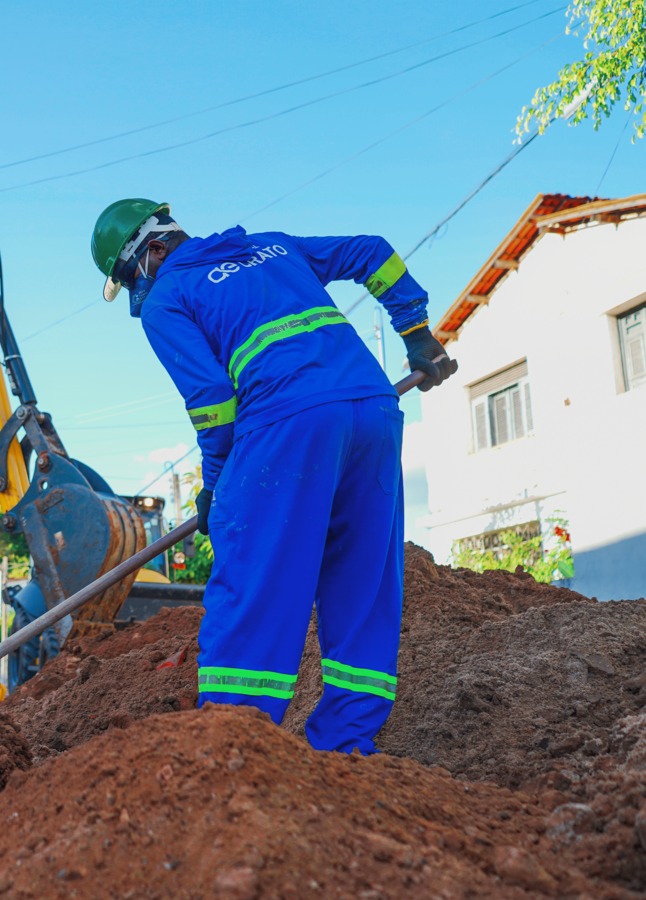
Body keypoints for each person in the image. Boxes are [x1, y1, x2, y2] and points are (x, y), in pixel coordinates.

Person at [91, 199, 457, 754]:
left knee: (258, 576)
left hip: (290, 422)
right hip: (373, 410)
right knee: (363, 580)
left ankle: (232, 743)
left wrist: (217, 483)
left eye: (127, 275)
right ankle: (347, 745)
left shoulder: (168, 297)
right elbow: (370, 252)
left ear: (152, 251)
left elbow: (213, 403)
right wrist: (415, 333)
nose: (136, 286)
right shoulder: (274, 247)